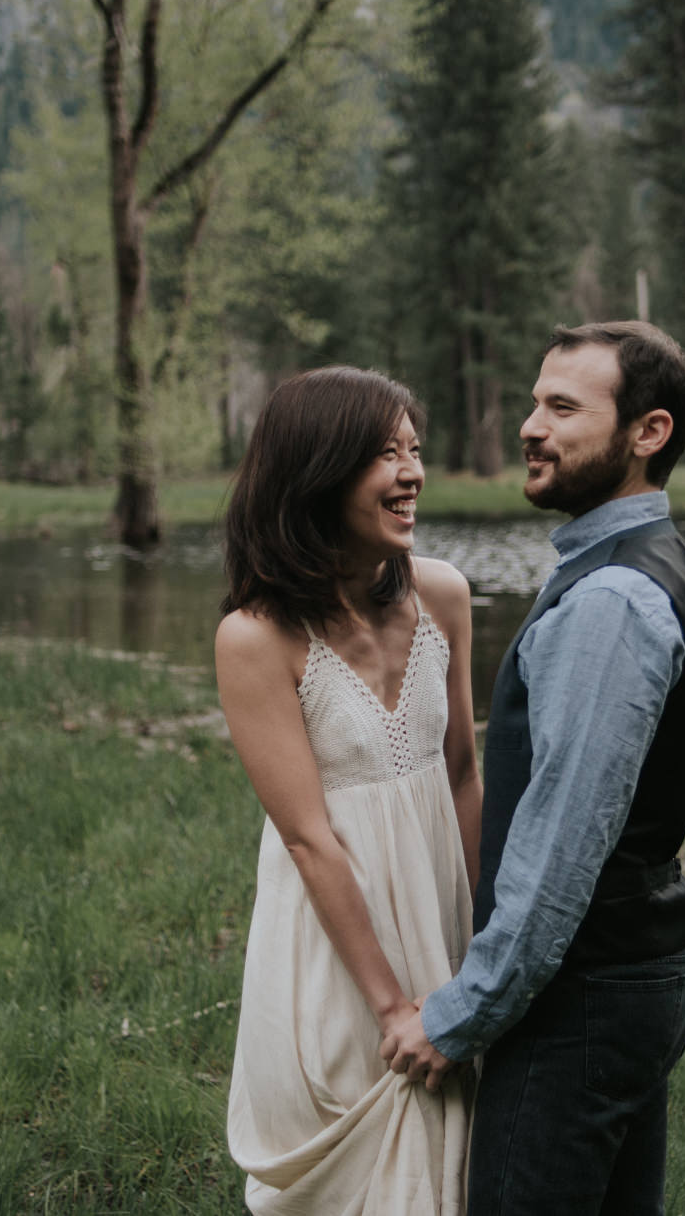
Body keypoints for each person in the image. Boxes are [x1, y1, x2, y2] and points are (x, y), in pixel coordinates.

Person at [381, 321, 685, 1216]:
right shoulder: (643, 566)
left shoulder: (612, 599)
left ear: (648, 433)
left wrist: (460, 1016)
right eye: (535, 401)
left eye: (563, 408)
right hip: (630, 974)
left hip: (582, 1000)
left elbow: (564, 843)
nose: (531, 425)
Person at [218, 365, 484, 1214]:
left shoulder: (443, 594)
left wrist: (479, 952)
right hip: (339, 949)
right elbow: (307, 837)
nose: (412, 473)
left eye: (414, 450)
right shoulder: (256, 637)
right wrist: (391, 1005)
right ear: (318, 472)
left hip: (441, 917)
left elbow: (463, 770)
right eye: (384, 454)